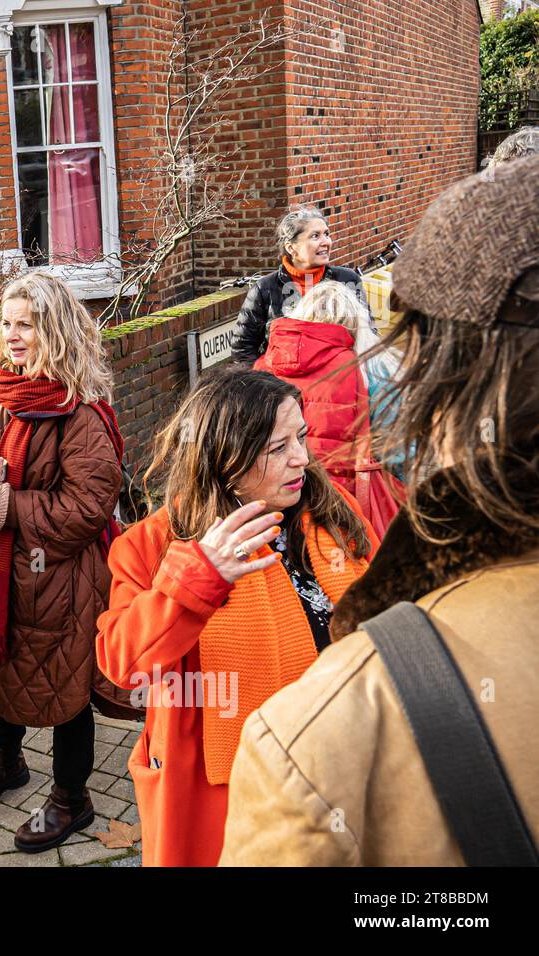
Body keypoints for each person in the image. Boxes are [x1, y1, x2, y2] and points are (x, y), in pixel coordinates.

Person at [221, 154, 539, 865]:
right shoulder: (273, 299)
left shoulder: (320, 739)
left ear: (443, 387)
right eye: (316, 240)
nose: (326, 249)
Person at [95, 367, 375, 866]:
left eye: (302, 437)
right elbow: (122, 663)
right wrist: (198, 576)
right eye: (276, 448)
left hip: (345, 768)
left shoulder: (334, 512)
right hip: (228, 795)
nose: (302, 459)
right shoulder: (157, 544)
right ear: (224, 458)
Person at [0, 272, 125, 853]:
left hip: (59, 581)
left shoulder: (80, 411)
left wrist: (6, 506)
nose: (14, 336)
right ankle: (7, 762)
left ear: (57, 330)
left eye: (28, 325)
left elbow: (88, 508)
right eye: (8, 323)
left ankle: (72, 799)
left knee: (63, 691)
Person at [252, 280, 404, 535]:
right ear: (354, 323)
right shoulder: (369, 368)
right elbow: (396, 450)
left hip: (275, 504)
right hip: (344, 505)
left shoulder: (263, 366)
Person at [229, 207, 370, 363]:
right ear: (291, 247)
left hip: (337, 379)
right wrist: (269, 381)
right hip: (284, 383)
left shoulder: (346, 280)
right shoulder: (265, 288)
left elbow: (367, 332)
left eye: (327, 234)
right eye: (315, 236)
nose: (326, 242)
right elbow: (242, 348)